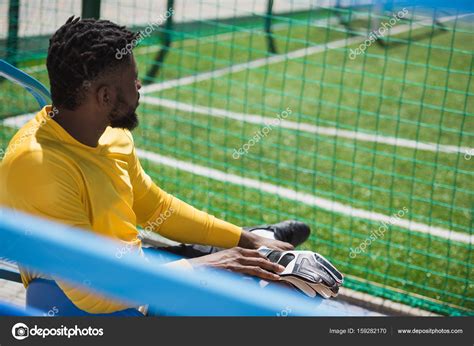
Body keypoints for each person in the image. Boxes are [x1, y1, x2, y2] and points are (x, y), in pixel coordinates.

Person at [0, 16, 310, 316]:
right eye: (133, 79)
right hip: (81, 300)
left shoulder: (111, 134)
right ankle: (213, 255)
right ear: (104, 96)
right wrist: (211, 266)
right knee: (262, 303)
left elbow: (153, 206)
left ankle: (256, 237)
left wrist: (243, 239)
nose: (139, 86)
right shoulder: (38, 166)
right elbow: (92, 291)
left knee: (262, 278)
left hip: (132, 273)